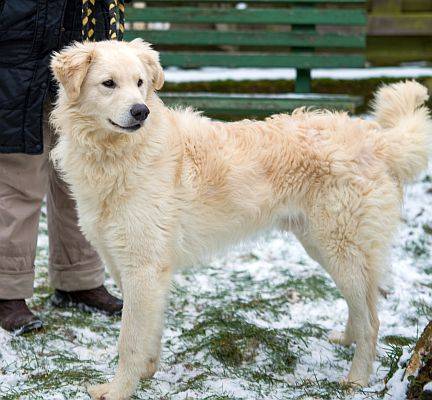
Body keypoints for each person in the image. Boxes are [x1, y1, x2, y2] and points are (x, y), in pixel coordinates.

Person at [0, 0, 123, 335]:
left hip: (85, 68)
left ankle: (78, 278)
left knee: (80, 182)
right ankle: (7, 291)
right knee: (17, 181)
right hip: (19, 67)